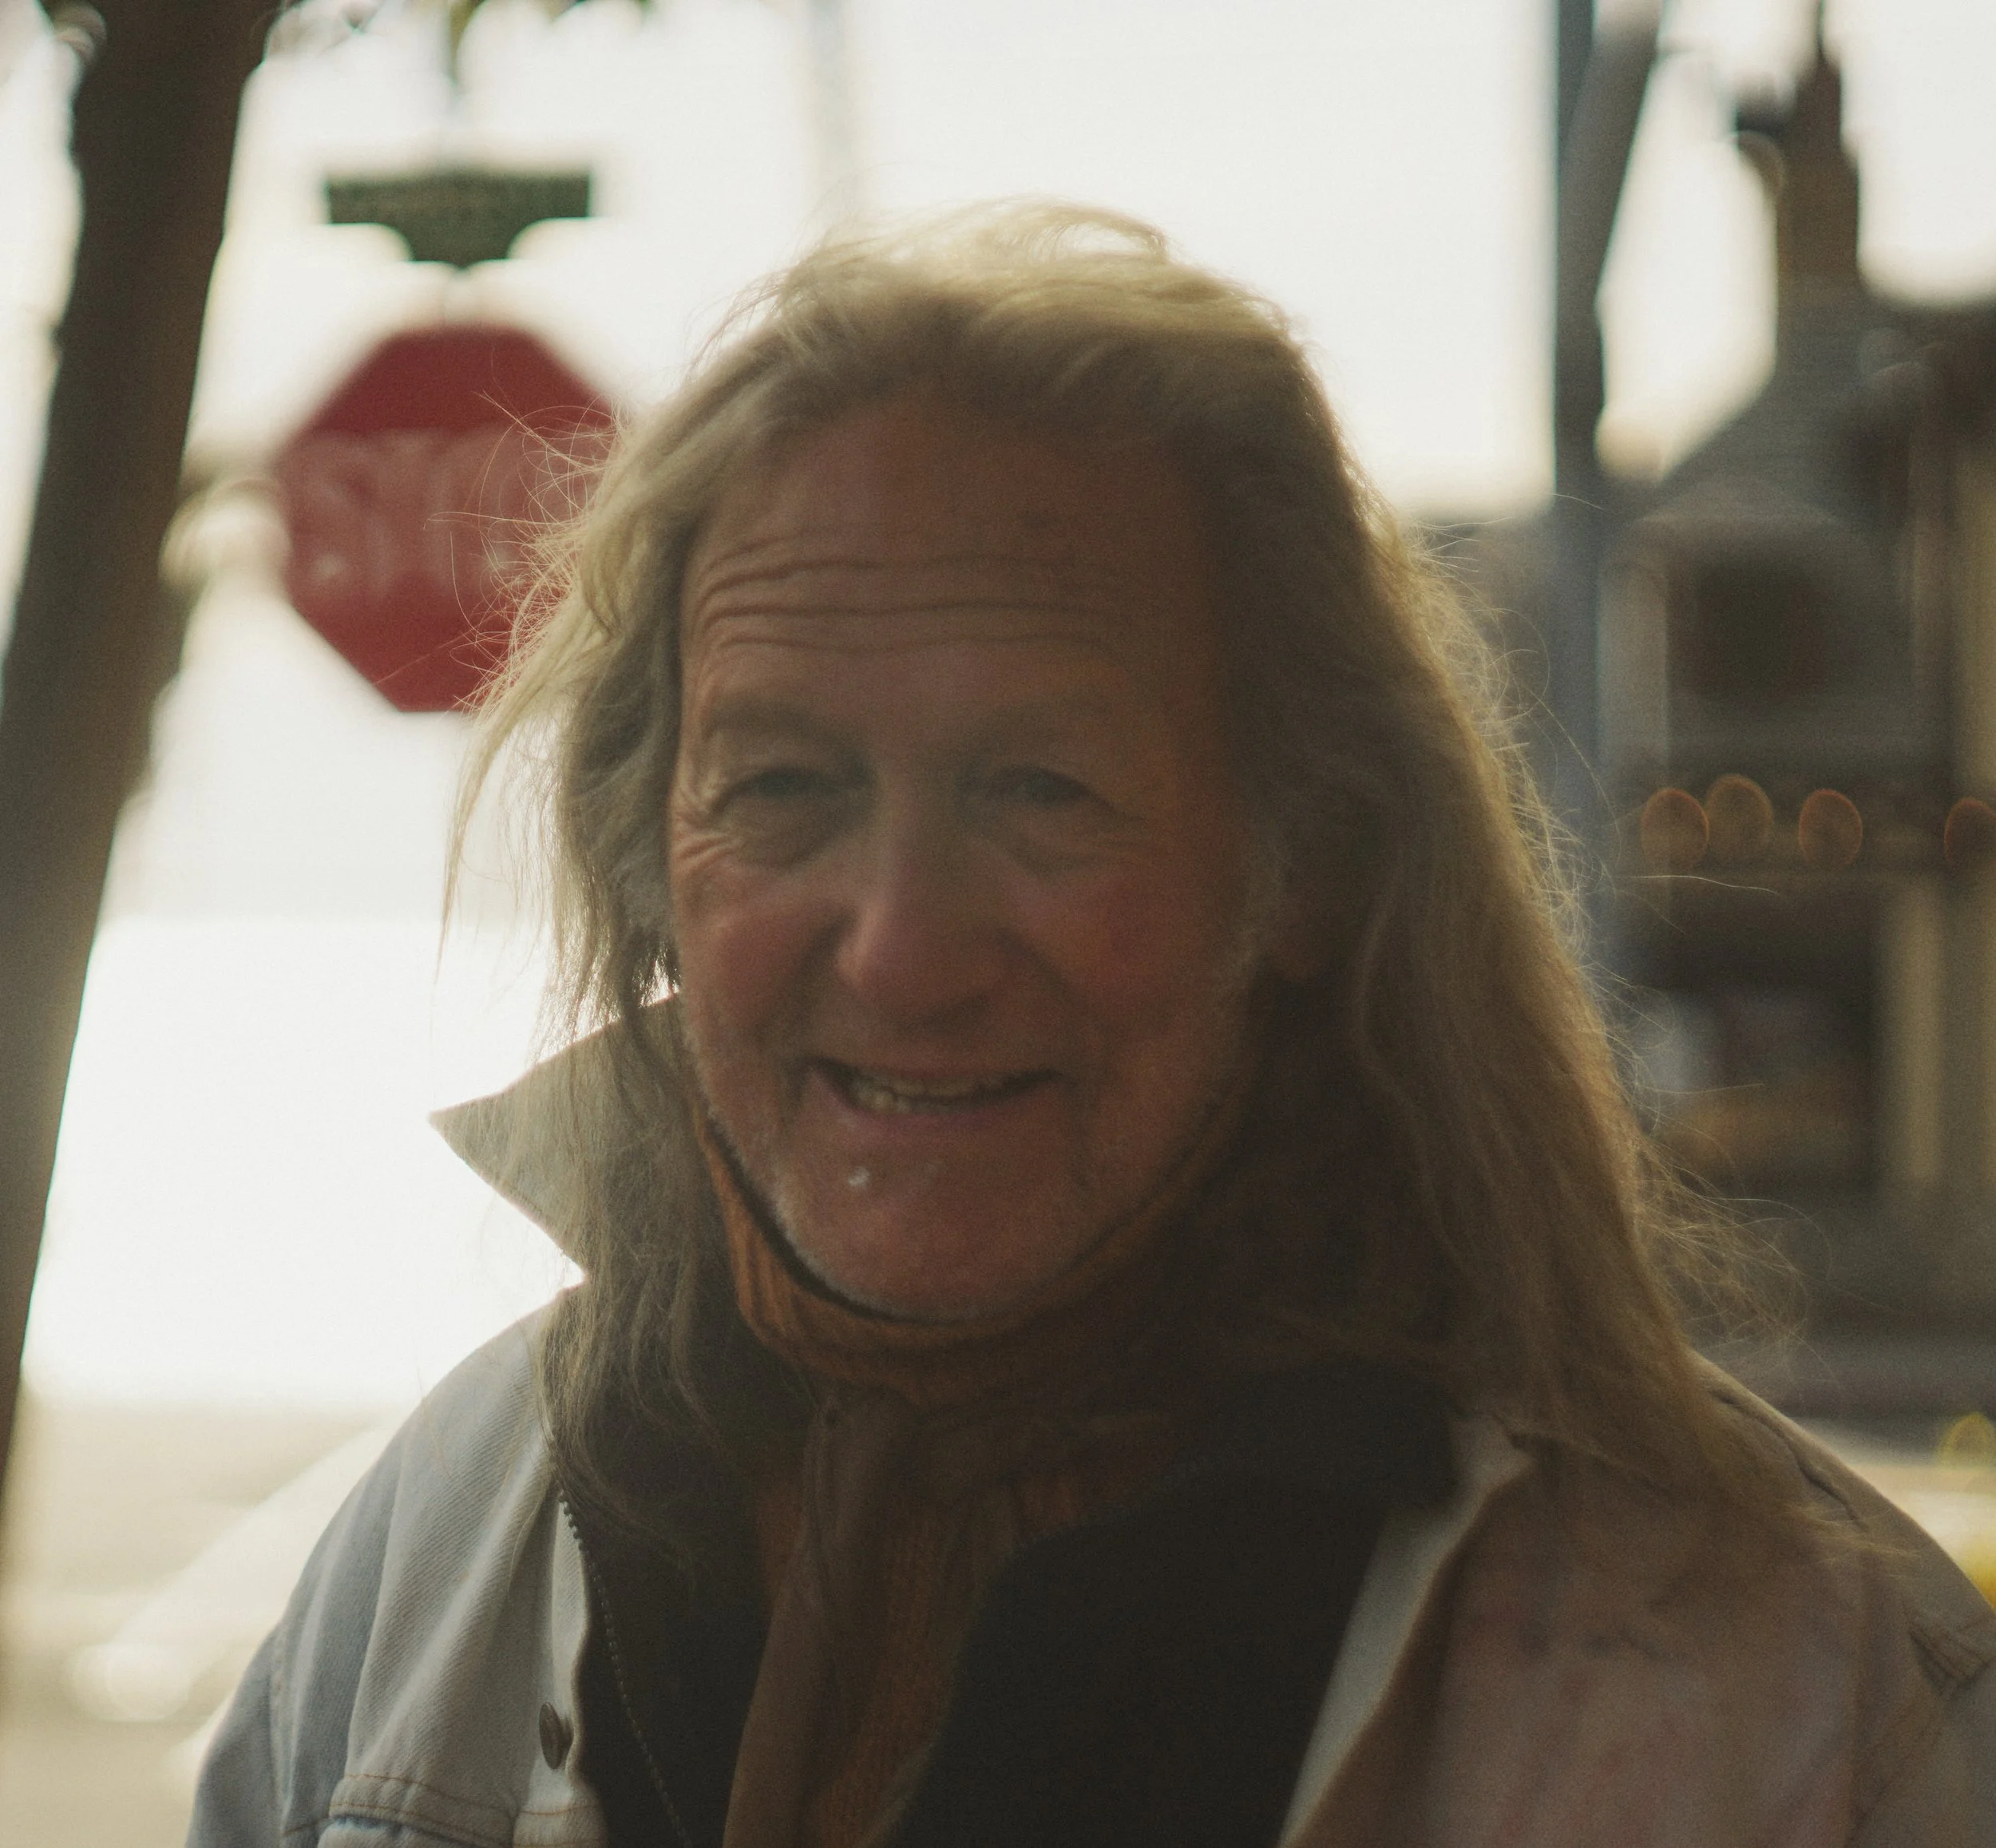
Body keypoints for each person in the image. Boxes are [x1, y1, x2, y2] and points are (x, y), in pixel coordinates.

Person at [188, 204, 1995, 1848]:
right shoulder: (452, 1532)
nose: (903, 950)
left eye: (1041, 789)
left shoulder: (1798, 1695)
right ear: (653, 856)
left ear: (1302, 868)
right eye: (784, 785)